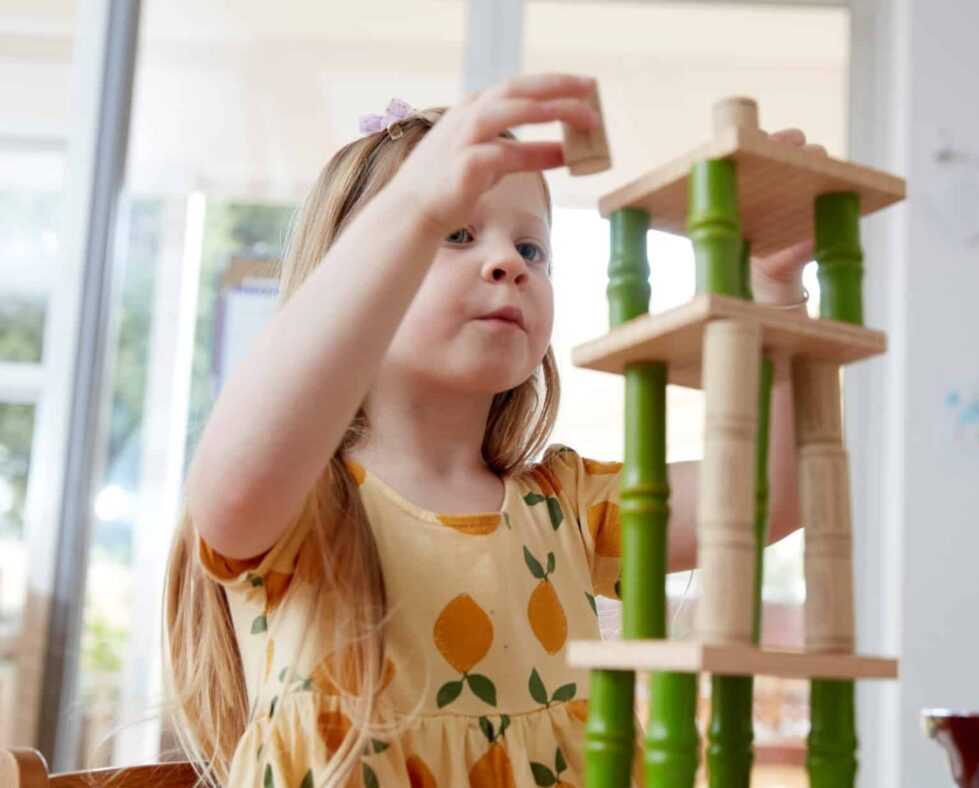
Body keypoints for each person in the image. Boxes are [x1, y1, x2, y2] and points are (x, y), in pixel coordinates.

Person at [165, 73, 813, 787]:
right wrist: (411, 208)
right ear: (351, 279)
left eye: (532, 249)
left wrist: (774, 294)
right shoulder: (302, 505)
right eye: (455, 233)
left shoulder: (563, 505)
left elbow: (768, 498)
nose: (507, 263)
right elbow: (232, 480)